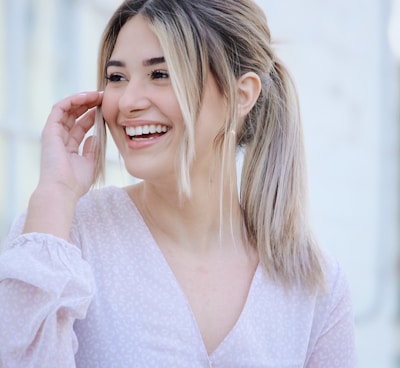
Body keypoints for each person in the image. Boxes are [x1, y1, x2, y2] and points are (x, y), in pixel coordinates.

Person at [0, 0, 356, 367]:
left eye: (161, 74)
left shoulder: (315, 286)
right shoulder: (60, 236)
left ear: (242, 95)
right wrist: (56, 193)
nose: (128, 102)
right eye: (117, 78)